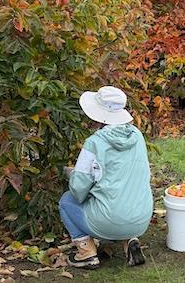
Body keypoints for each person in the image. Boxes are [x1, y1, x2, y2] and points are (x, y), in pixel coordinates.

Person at [59, 86, 153, 269]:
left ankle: (86, 253)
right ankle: (130, 241)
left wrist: (72, 175)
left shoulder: (95, 142)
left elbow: (78, 190)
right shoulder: (137, 136)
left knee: (66, 201)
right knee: (124, 193)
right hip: (141, 218)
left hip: (109, 220)